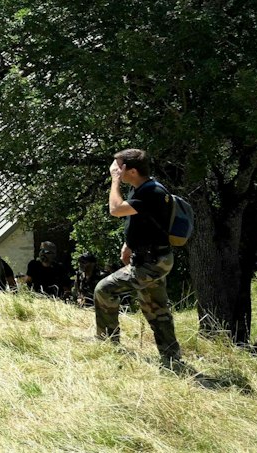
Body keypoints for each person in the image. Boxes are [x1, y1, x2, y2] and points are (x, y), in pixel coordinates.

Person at [95, 148, 182, 364]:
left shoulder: (150, 191)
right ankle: (171, 357)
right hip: (154, 258)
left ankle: (108, 343)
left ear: (131, 171)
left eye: (118, 167)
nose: (115, 170)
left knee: (104, 290)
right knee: (155, 309)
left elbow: (115, 209)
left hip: (151, 263)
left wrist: (115, 181)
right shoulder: (146, 187)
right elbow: (144, 221)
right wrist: (129, 244)